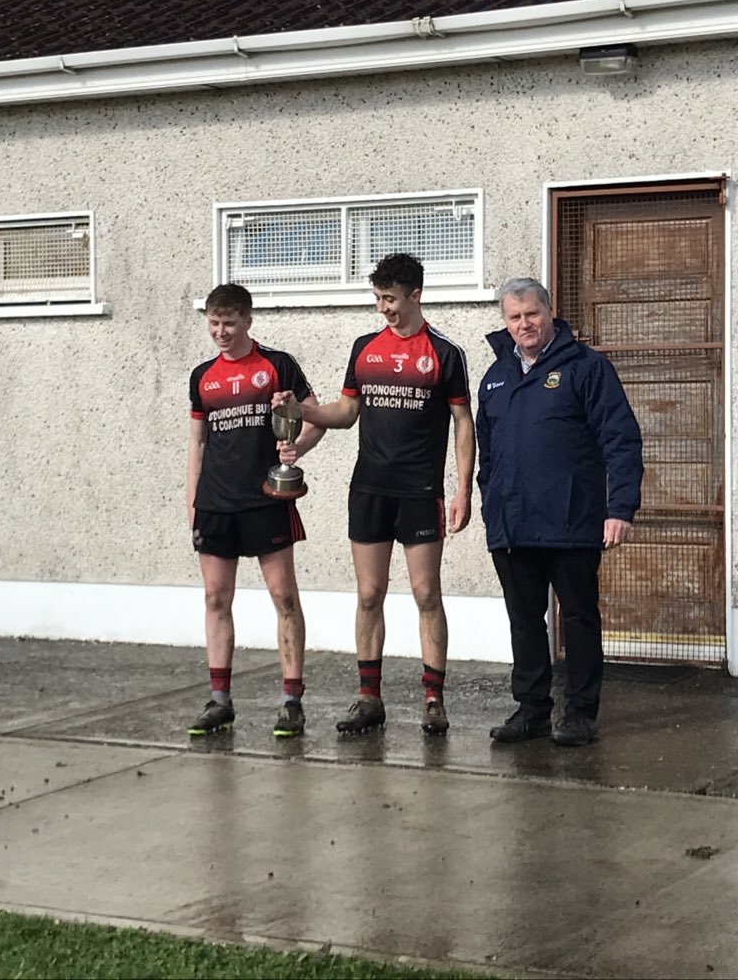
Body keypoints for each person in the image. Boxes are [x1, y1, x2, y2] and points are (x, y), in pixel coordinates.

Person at [274, 253, 475, 735]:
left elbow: (463, 424)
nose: (382, 308)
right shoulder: (365, 348)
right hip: (369, 488)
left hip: (419, 489)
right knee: (369, 593)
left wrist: (462, 490)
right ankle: (369, 698)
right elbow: (344, 413)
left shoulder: (445, 353)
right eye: (378, 298)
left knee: (427, 593)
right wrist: (299, 411)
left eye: (389, 298)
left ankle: (432, 699)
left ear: (415, 295)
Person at [477, 278, 643, 746]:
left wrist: (620, 507)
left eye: (532, 313)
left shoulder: (587, 368)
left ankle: (581, 714)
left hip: (572, 522)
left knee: (579, 618)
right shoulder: (495, 378)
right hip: (512, 525)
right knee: (524, 620)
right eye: (515, 317)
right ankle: (531, 710)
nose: (524, 323)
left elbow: (621, 439)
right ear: (506, 323)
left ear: (549, 313)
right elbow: (487, 455)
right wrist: (490, 502)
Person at [186, 284, 324, 739]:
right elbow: (197, 444)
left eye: (228, 323)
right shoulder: (201, 377)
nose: (221, 333)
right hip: (216, 504)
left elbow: (317, 416)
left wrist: (294, 450)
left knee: (284, 598)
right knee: (214, 600)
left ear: (247, 320)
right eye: (213, 324)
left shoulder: (276, 365)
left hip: (266, 499)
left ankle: (291, 702)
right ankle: (220, 701)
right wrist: (192, 504)